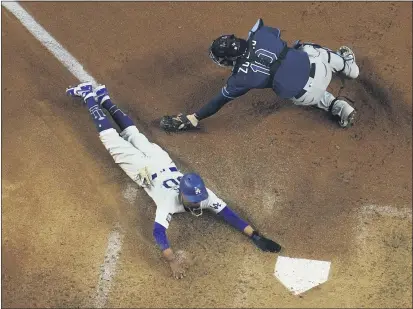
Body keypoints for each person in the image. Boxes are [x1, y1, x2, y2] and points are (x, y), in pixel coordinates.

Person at [66, 82, 282, 279]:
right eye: (193, 201)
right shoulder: (170, 202)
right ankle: (90, 96)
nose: (197, 204)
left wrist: (254, 235)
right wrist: (171, 260)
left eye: (197, 200)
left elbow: (227, 214)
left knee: (132, 133)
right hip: (144, 168)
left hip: (160, 162)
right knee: (112, 138)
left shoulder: (202, 194)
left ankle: (104, 98)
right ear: (182, 194)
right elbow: (158, 232)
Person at [160, 18, 360, 132]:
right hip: (323, 68)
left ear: (227, 59)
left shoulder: (239, 78)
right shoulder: (259, 34)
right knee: (305, 47)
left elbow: (218, 101)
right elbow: (276, 34)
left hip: (306, 96)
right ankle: (348, 67)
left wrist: (194, 117)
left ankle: (338, 106)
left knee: (297, 89)